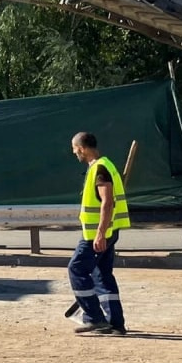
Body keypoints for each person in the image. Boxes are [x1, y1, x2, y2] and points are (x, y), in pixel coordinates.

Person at [69, 132, 130, 335]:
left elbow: (107, 201)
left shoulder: (100, 168)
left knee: (77, 270)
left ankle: (94, 318)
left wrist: (100, 234)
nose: (74, 152)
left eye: (75, 148)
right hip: (108, 231)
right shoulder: (103, 165)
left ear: (83, 148)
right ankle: (115, 323)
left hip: (98, 234)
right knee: (102, 275)